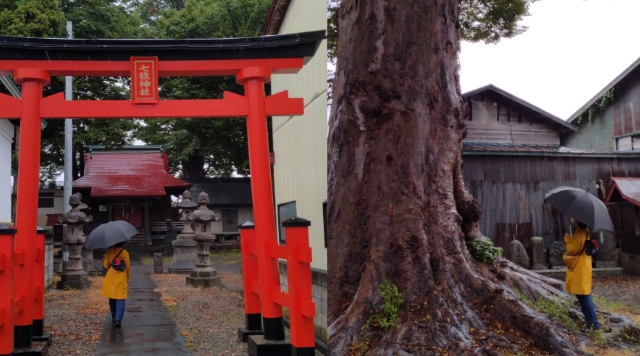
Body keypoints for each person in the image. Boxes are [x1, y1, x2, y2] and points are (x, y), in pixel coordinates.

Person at [563, 218, 600, 330]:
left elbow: (572, 249)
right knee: (584, 296)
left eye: (573, 218)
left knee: (584, 297)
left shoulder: (579, 233)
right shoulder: (584, 231)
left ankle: (594, 324)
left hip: (579, 268)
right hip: (583, 266)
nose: (571, 219)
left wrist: (567, 238)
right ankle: (591, 322)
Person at [101, 242, 130, 328]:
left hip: (111, 277)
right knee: (120, 299)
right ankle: (118, 319)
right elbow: (127, 267)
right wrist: (127, 278)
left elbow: (105, 265)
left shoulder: (109, 252)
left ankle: (114, 317)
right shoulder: (125, 254)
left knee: (112, 297)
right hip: (121, 277)